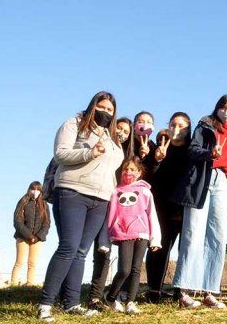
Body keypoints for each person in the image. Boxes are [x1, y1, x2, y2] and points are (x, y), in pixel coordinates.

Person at [38, 91, 124, 322]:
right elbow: (60, 154)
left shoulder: (110, 135)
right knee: (68, 247)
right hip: (73, 191)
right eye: (102, 107)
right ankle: (45, 303)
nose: (105, 112)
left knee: (81, 252)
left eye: (110, 110)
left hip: (101, 198)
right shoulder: (74, 124)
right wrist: (89, 152)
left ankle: (71, 303)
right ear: (92, 105)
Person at [171, 94, 227, 309]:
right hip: (203, 178)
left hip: (224, 181)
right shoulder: (205, 125)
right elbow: (192, 149)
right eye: (223, 107)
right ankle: (184, 291)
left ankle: (208, 291)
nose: (226, 111)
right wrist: (209, 153)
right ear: (217, 108)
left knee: (217, 236)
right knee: (193, 232)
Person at [104, 157, 161, 314]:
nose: (128, 172)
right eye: (125, 169)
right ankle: (110, 297)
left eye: (132, 169)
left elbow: (152, 215)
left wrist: (155, 238)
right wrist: (108, 237)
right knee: (124, 270)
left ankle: (130, 301)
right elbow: (111, 215)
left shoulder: (145, 191)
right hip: (123, 233)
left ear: (139, 172)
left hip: (142, 234)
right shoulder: (116, 192)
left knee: (136, 269)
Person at [145, 112, 191, 304]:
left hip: (185, 208)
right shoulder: (161, 148)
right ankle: (154, 289)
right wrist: (157, 160)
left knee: (185, 250)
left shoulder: (191, 150)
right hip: (162, 206)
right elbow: (150, 175)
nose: (176, 129)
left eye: (182, 126)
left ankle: (181, 290)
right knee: (159, 248)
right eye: (173, 125)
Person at [87, 116, 132, 312]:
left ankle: (95, 297)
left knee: (103, 252)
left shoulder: (124, 155)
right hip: (93, 198)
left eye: (126, 132)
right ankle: (66, 291)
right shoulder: (101, 143)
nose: (121, 133)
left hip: (113, 205)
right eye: (119, 128)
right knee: (79, 248)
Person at [11, 181, 50, 286]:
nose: (35, 191)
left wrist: (38, 237)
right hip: (22, 238)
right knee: (19, 262)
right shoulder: (23, 201)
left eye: (38, 189)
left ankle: (30, 284)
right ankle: (13, 285)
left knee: (32, 264)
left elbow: (47, 224)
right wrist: (29, 235)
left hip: (37, 240)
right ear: (29, 189)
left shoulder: (44, 204)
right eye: (33, 189)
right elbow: (17, 221)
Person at [131, 111, 158, 176]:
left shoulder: (153, 147)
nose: (145, 125)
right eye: (140, 122)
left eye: (149, 122)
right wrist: (138, 155)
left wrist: (158, 160)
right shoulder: (128, 142)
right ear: (134, 126)